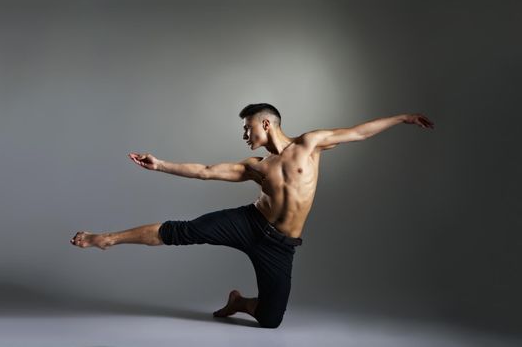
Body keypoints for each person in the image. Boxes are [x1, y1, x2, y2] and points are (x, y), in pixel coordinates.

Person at [70, 103, 434, 328]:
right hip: (249, 224)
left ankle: (240, 303)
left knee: (271, 321)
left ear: (266, 124)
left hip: (280, 246)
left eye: (248, 127)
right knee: (184, 231)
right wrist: (160, 164)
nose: (244, 133)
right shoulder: (256, 166)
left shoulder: (310, 144)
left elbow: (358, 132)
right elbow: (207, 170)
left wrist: (402, 117)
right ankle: (107, 239)